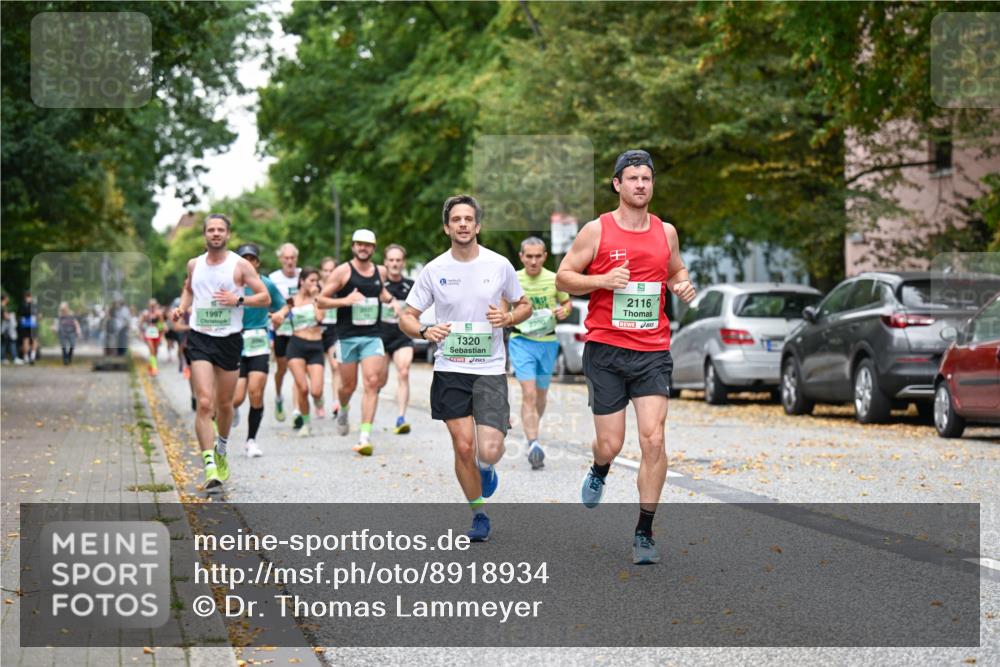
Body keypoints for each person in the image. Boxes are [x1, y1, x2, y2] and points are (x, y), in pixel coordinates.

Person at [556, 149, 696, 565]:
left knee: (653, 438)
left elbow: (676, 270)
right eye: (632, 178)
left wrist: (683, 285)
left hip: (652, 350)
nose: (640, 185)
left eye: (646, 179)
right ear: (617, 184)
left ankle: (644, 531)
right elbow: (564, 275)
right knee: (611, 442)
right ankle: (600, 468)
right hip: (606, 350)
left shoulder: (665, 231)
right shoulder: (596, 230)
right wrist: (602, 279)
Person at [399, 195, 531, 542]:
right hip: (450, 368)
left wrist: (509, 317)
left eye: (468, 218)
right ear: (447, 227)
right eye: (455, 219)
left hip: (489, 370)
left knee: (488, 450)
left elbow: (525, 305)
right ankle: (479, 514)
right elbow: (406, 317)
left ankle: (486, 468)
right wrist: (426, 331)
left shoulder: (499, 264)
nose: (462, 224)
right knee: (462, 446)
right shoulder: (434, 270)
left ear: (477, 225)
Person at [172, 214, 270, 493]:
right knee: (205, 403)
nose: (215, 234)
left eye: (220, 230)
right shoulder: (194, 264)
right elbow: (189, 288)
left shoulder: (239, 266)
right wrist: (182, 307)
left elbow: (264, 297)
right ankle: (210, 466)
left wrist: (237, 299)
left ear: (228, 234)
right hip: (200, 337)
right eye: (211, 230)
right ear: (205, 235)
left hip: (229, 339)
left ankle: (222, 448)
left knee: (225, 404)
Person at [317, 229, 393, 455]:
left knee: (371, 382)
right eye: (359, 244)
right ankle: (344, 408)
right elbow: (320, 301)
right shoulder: (343, 272)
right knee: (347, 387)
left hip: (373, 335)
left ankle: (364, 436)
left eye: (367, 245)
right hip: (347, 337)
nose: (363, 248)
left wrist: (388, 299)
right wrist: (346, 300)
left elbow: (379, 291)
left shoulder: (381, 271)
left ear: (374, 249)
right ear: (353, 247)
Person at [509, 236, 572, 469]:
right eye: (529, 256)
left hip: (547, 342)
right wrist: (508, 317)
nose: (533, 261)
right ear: (521, 257)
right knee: (529, 394)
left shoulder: (554, 279)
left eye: (538, 256)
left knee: (541, 395)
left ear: (544, 256)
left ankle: (531, 430)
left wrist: (563, 311)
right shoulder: (513, 279)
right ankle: (533, 441)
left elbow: (566, 303)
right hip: (521, 340)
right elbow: (504, 308)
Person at [231, 243, 285, 457]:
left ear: (257, 262)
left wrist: (281, 315)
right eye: (245, 259)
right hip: (235, 341)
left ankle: (251, 440)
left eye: (253, 259)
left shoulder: (266, 284)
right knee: (236, 398)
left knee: (256, 392)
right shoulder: (231, 284)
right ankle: (231, 410)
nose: (249, 263)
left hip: (259, 341)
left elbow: (283, 304)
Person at [273, 267, 326, 437]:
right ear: (301, 281)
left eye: (316, 280)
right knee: (302, 388)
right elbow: (279, 318)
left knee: (316, 391)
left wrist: (316, 296)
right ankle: (306, 422)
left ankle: (318, 401)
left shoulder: (319, 299)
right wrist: (278, 318)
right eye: (311, 280)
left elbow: (319, 318)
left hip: (316, 346)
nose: (314, 283)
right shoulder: (292, 301)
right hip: (296, 345)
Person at [377, 243, 416, 434]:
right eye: (391, 260)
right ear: (385, 262)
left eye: (398, 260)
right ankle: (373, 396)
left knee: (403, 372)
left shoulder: (411, 285)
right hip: (381, 337)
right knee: (379, 380)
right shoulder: (378, 285)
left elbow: (418, 310)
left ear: (403, 263)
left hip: (402, 336)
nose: (394, 263)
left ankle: (401, 418)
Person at [268, 243, 302, 423]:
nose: (289, 261)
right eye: (286, 258)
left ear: (296, 258)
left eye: (292, 258)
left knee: (298, 370)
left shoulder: (302, 275)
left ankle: (297, 410)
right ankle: (279, 396)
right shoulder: (273, 279)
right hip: (281, 330)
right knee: (282, 369)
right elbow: (269, 303)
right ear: (281, 259)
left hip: (301, 329)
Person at [318, 257, 341, 419]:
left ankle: (336, 402)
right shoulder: (315, 287)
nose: (328, 273)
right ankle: (318, 399)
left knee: (335, 366)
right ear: (321, 272)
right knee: (316, 370)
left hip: (334, 330)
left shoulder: (340, 287)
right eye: (325, 270)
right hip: (316, 330)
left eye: (331, 270)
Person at [139, 299, 164, 376]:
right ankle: (154, 369)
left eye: (154, 305)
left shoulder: (159, 314)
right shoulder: (145, 314)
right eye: (151, 306)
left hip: (157, 335)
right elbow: (140, 324)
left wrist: (161, 334)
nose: (152, 307)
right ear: (148, 306)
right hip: (148, 335)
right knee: (152, 351)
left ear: (156, 305)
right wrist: (141, 334)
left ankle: (151, 366)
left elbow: (161, 325)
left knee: (155, 352)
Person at [17, 291, 39, 364]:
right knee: (34, 340)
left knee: (25, 341)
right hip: (33, 325)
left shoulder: (21, 305)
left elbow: (19, 316)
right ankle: (32, 356)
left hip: (24, 325)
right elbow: (38, 315)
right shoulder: (34, 305)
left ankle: (26, 357)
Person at [2, 294, 19, 364]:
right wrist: (12, 315)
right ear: (5, 298)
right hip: (3, 328)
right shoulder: (2, 307)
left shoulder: (3, 306)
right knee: (4, 343)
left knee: (4, 343)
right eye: (8, 298)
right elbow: (6, 317)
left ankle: (3, 357)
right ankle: (2, 358)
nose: (8, 299)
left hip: (4, 328)